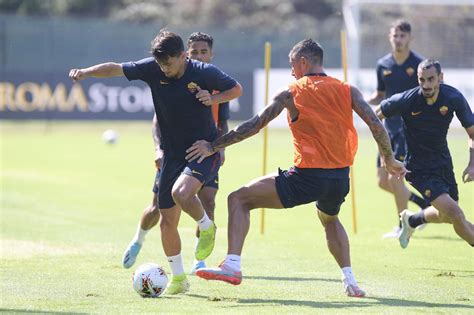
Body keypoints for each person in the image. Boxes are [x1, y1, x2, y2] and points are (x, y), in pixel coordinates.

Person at [185, 39, 406, 297]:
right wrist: (389, 159)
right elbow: (376, 125)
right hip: (340, 179)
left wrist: (214, 145)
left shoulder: (291, 92)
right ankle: (350, 281)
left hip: (307, 177)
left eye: (293, 65)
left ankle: (232, 265)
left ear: (303, 62)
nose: (292, 71)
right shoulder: (348, 90)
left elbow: (254, 125)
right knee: (330, 218)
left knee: (238, 199)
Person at [69, 30, 242, 295]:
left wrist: (214, 99)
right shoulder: (153, 68)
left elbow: (236, 89)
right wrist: (86, 72)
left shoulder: (203, 71)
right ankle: (179, 278)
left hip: (202, 150)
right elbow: (115, 69)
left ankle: (207, 227)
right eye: (161, 65)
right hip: (172, 153)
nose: (164, 69)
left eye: (169, 64)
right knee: (166, 221)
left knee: (182, 193)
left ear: (183, 56)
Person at [121, 32, 231, 275]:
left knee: (208, 202)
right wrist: (158, 148)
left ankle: (198, 261)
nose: (199, 55)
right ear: (186, 54)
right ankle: (138, 239)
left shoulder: (214, 80)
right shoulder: (172, 75)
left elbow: (223, 123)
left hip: (204, 151)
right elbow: (157, 120)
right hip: (172, 152)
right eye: (195, 52)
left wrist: (219, 147)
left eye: (204, 52)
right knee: (158, 209)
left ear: (211, 54)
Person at [376, 59, 474, 249]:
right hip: (418, 169)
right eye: (422, 80)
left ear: (440, 78)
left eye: (431, 79)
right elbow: (376, 117)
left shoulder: (453, 97)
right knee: (456, 215)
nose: (426, 85)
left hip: (443, 163)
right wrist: (386, 155)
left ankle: (412, 221)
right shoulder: (407, 99)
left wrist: (472, 164)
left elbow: (472, 133)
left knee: (446, 215)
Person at [367, 20, 429, 239]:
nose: (399, 40)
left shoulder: (420, 65)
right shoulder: (383, 64)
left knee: (396, 179)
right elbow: (380, 94)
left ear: (410, 38)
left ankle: (403, 226)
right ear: (389, 37)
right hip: (387, 130)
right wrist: (361, 102)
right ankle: (423, 205)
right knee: (382, 181)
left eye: (403, 36)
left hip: (408, 130)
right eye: (395, 35)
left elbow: (426, 95)